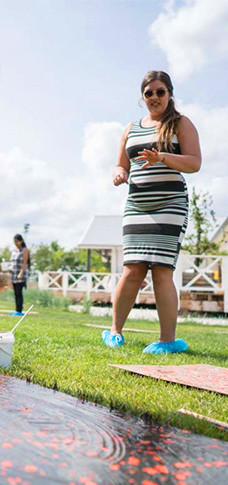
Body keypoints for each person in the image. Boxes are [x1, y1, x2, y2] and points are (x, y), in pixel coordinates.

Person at [103, 70, 201, 354]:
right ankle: (114, 332)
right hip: (137, 206)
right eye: (149, 93)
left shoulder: (181, 123)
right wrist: (119, 173)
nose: (154, 97)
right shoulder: (131, 128)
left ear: (169, 94)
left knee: (161, 270)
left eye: (160, 92)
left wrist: (162, 157)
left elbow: (194, 163)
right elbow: (121, 164)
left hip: (169, 205)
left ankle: (167, 341)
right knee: (132, 269)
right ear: (142, 97)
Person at [10, 234, 30, 317]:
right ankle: (16, 309)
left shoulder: (24, 250)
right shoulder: (14, 251)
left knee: (19, 292)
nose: (15, 243)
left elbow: (25, 263)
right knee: (15, 293)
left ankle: (19, 310)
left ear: (21, 241)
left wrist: (21, 272)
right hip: (14, 274)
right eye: (14, 241)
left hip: (21, 275)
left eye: (17, 241)